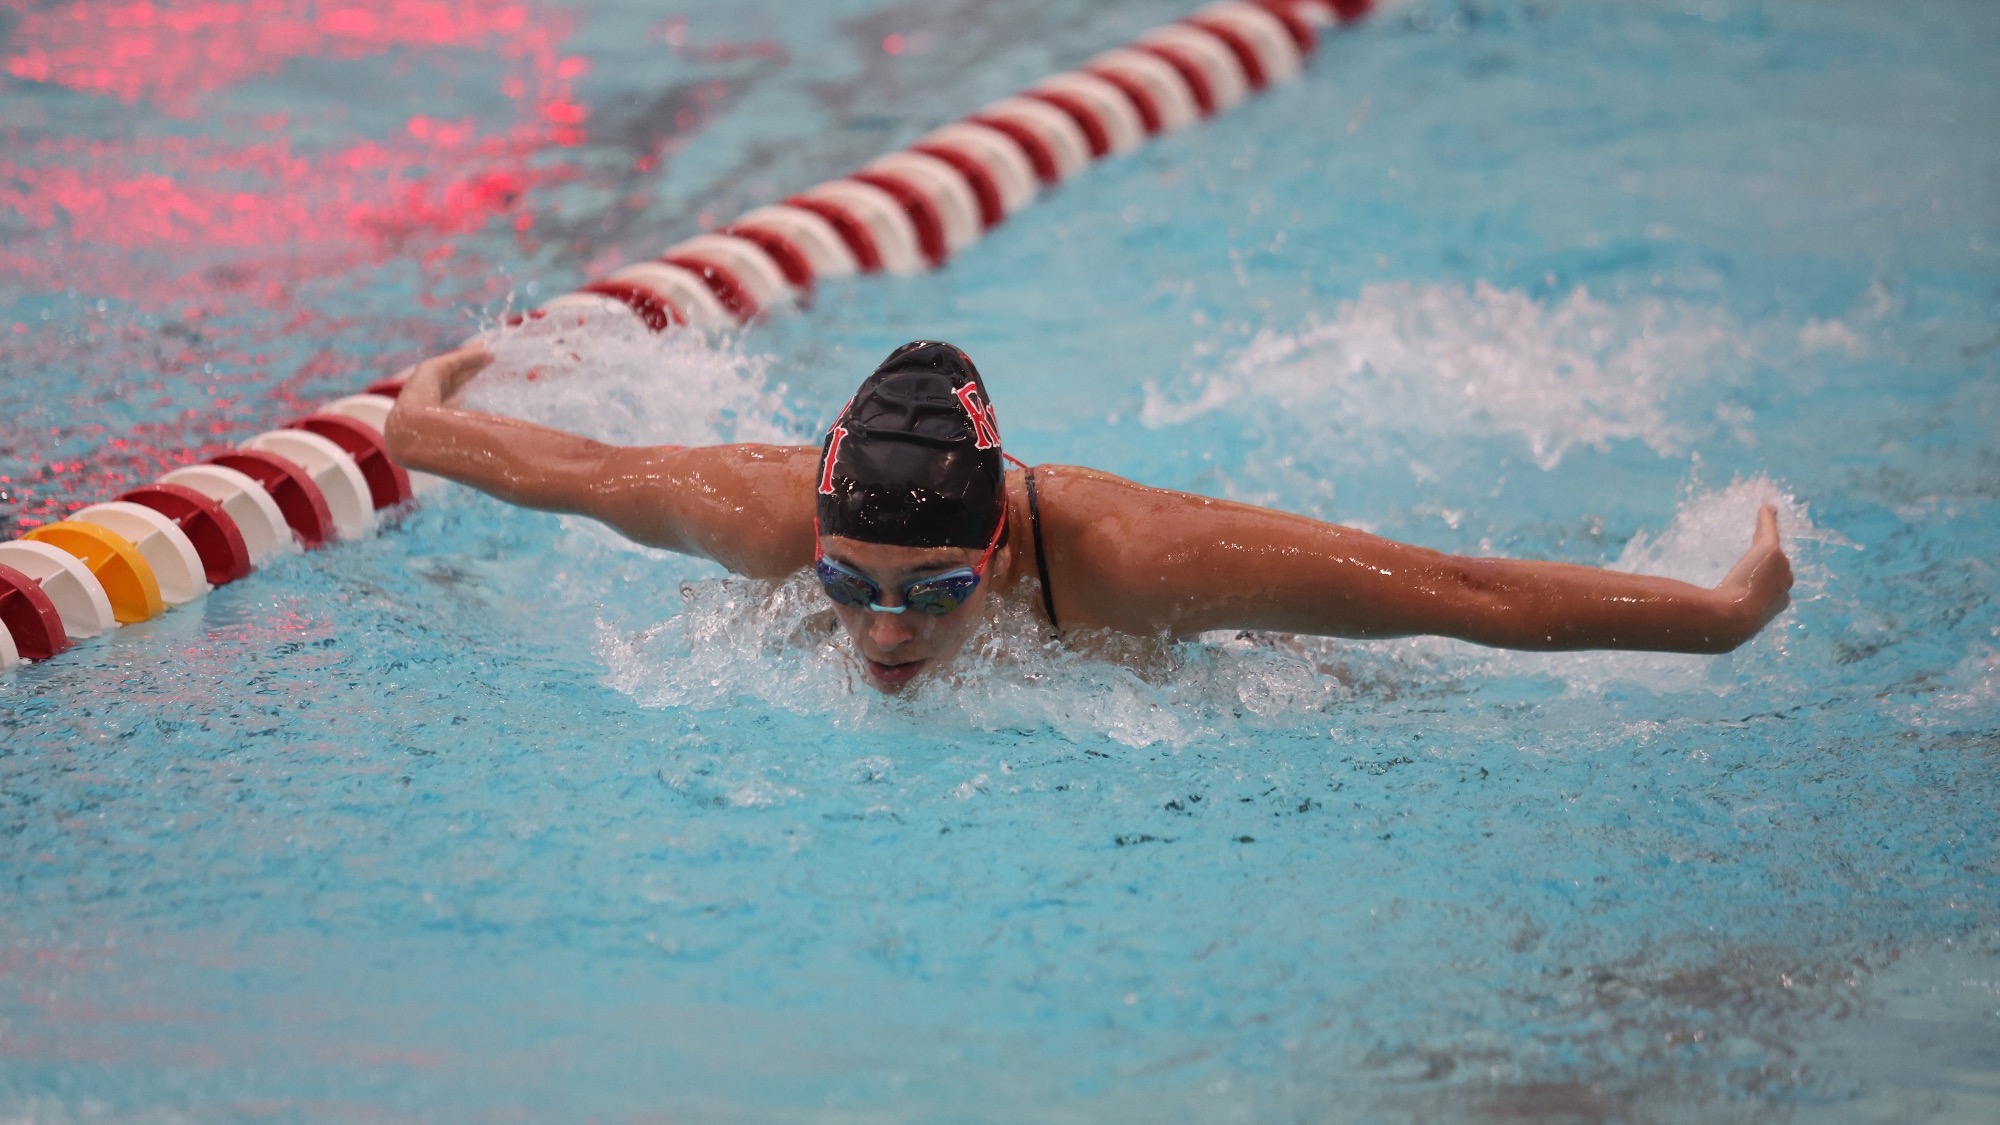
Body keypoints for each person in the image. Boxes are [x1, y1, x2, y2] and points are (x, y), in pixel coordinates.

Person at [384, 340, 1794, 692]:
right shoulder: (748, 510)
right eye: (849, 582)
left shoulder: (1128, 558)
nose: (880, 631)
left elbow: (1452, 591)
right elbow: (555, 465)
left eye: (930, 592)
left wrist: (1720, 616)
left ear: (994, 549)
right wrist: (429, 403)